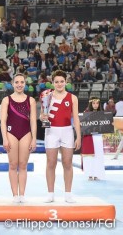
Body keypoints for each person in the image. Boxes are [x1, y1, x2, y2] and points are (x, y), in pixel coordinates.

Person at [41, 70, 81, 203]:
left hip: (67, 131)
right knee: (51, 163)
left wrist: (78, 137)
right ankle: (50, 193)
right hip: (51, 131)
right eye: (56, 82)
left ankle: (68, 194)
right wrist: (43, 117)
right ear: (52, 83)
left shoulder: (72, 98)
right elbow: (42, 115)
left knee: (67, 163)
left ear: (66, 82)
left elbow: (76, 119)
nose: (59, 84)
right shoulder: (46, 97)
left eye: (61, 81)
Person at [0, 73, 37, 203]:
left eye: (22, 82)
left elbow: (33, 121)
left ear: (25, 84)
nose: (19, 84)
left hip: (26, 133)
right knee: (12, 164)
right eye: (17, 82)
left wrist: (34, 138)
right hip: (11, 134)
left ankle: (22, 194)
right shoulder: (6, 100)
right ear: (13, 84)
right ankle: (15, 195)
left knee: (23, 165)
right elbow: (3, 121)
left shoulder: (31, 100)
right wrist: (4, 138)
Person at [81, 97, 106, 180]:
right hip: (89, 137)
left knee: (98, 156)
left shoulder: (102, 114)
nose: (95, 105)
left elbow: (105, 125)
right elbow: (83, 126)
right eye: (94, 103)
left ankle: (97, 174)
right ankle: (89, 174)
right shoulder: (86, 113)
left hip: (98, 137)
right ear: (91, 104)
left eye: (97, 103)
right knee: (89, 157)